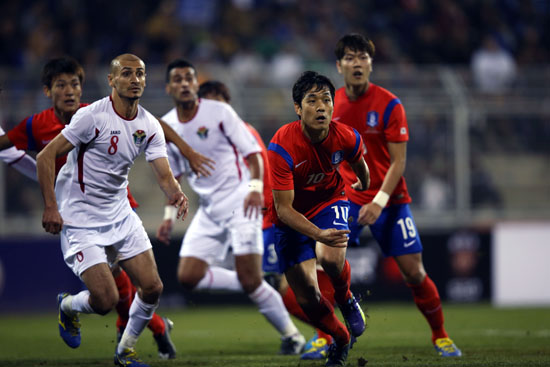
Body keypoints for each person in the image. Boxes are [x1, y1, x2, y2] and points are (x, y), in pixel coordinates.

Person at [0, 57, 191, 360]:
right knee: (105, 300)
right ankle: (67, 306)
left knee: (153, 287)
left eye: (140, 73)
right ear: (112, 80)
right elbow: (45, 157)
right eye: (126, 73)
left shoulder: (149, 124)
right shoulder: (91, 116)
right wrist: (51, 207)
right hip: (80, 219)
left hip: (120, 214)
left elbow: (164, 175)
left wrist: (176, 192)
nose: (135, 79)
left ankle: (125, 351)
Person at [156, 59, 306, 355]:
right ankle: (257, 281)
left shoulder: (220, 111)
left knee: (251, 281)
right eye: (178, 79)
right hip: (210, 210)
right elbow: (173, 176)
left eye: (190, 78)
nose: (185, 83)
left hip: (240, 203)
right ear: (169, 88)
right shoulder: (167, 125)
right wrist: (168, 216)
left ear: (197, 84)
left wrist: (253, 190)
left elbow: (255, 154)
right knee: (189, 277)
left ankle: (293, 336)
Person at [333, 33, 462, 357]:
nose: (357, 63)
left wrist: (378, 201)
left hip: (389, 200)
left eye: (363, 57)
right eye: (350, 57)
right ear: (339, 66)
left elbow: (399, 162)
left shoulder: (390, 104)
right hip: (347, 198)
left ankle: (441, 335)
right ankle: (327, 333)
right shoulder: (331, 104)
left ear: (371, 64)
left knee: (414, 272)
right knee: (324, 265)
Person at [267, 71, 370, 367]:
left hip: (329, 201)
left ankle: (346, 297)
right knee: (308, 298)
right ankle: (340, 340)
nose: (321, 106)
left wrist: (363, 182)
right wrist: (317, 233)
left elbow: (359, 164)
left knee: (330, 257)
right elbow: (284, 210)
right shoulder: (281, 146)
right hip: (290, 218)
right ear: (298, 108)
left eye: (327, 100)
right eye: (312, 101)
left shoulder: (345, 136)